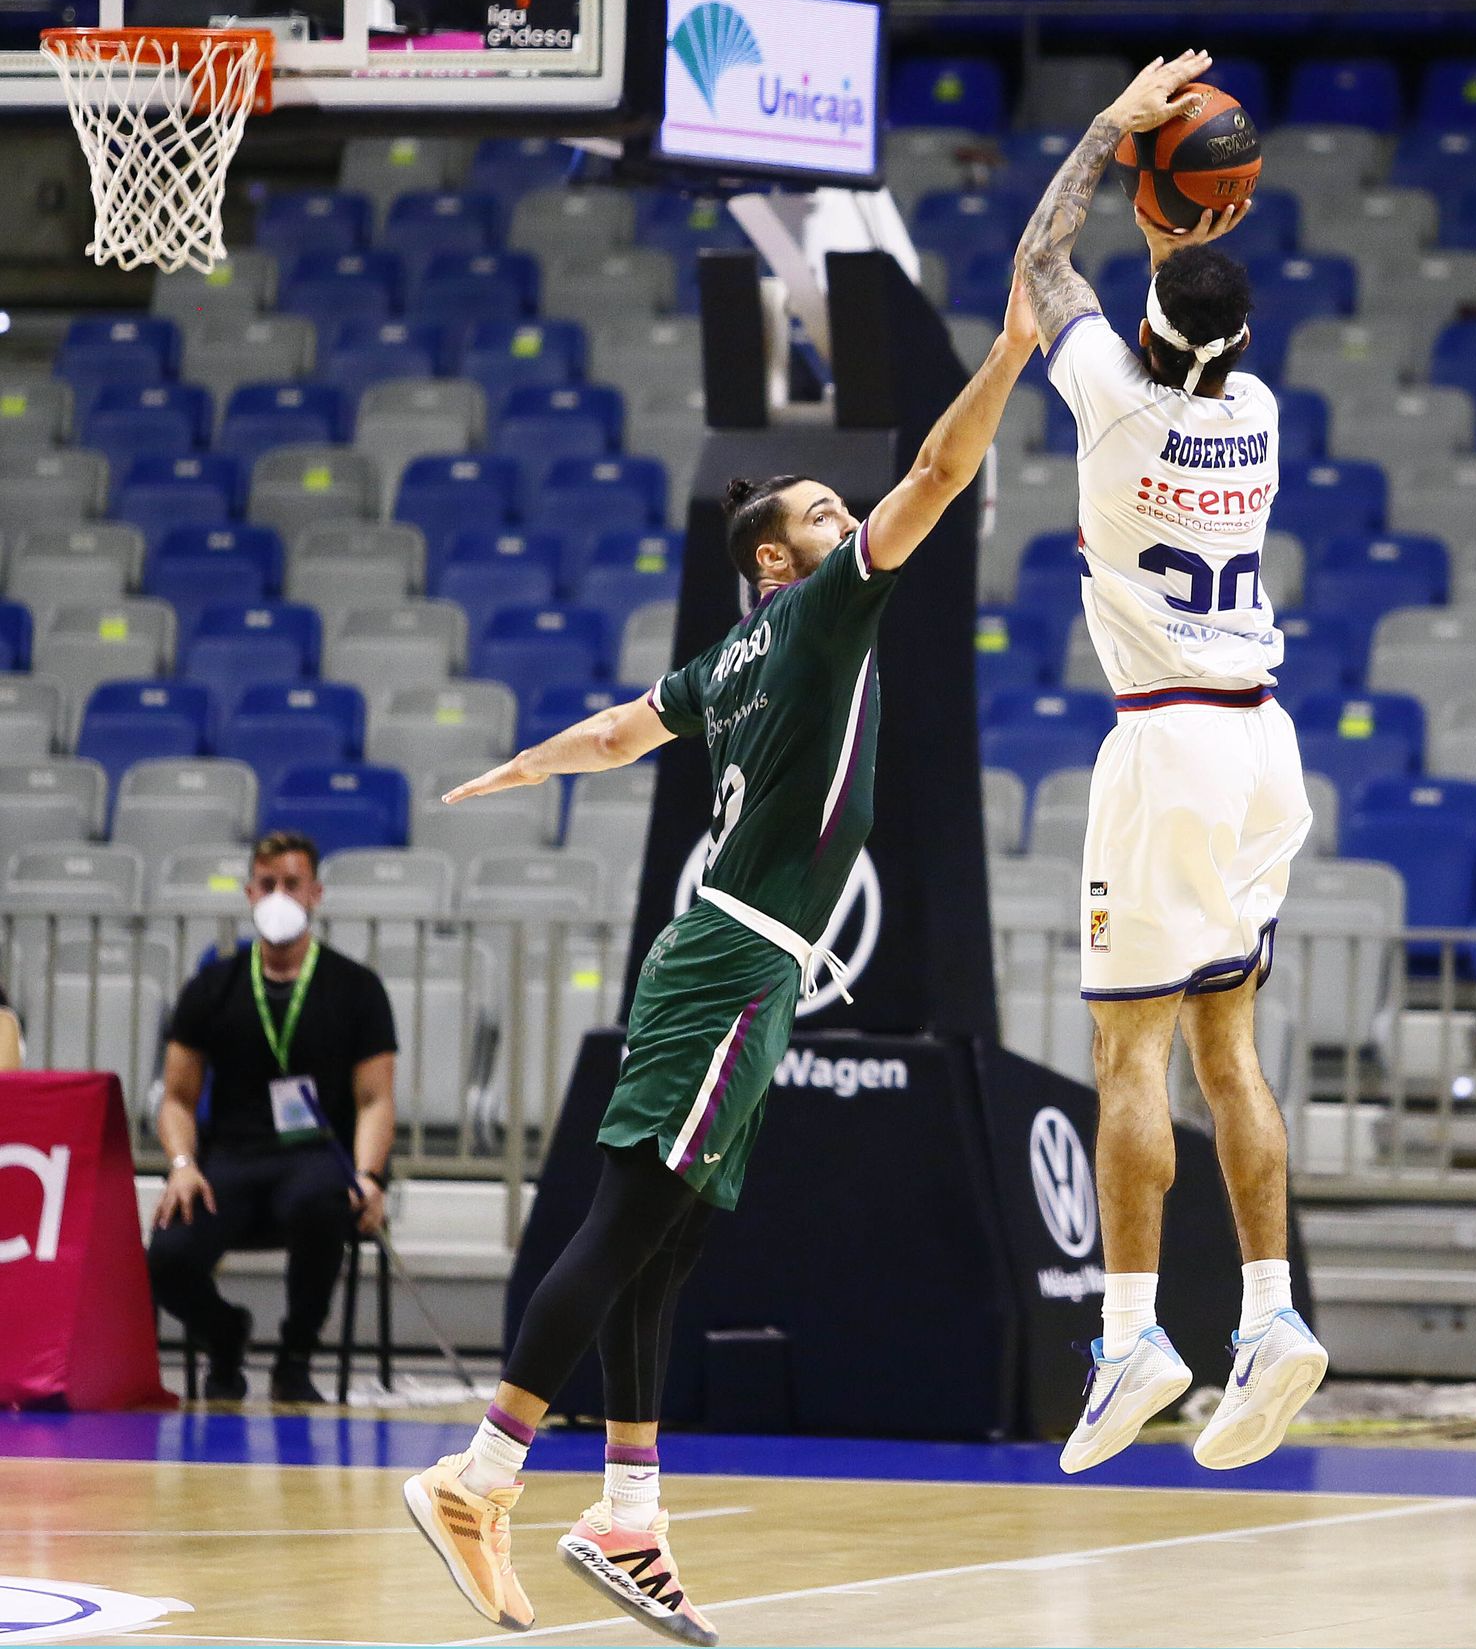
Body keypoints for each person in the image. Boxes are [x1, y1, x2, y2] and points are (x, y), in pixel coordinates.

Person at [403, 271, 1040, 1641]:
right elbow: (939, 467)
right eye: (821, 512)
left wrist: (513, 771)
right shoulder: (816, 619)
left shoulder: (725, 660)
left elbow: (616, 736)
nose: (847, 518)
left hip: (730, 956)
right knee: (630, 1222)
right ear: (776, 563)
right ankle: (483, 1473)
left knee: (673, 1241)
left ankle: (631, 1516)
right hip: (739, 958)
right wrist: (1006, 357)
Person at [1014, 51, 1328, 1475]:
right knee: (1228, 1048)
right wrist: (1181, 218)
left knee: (1123, 1049)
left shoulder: (1115, 404)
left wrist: (1113, 134)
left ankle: (1132, 1331)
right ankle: (1268, 1312)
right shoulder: (1253, 417)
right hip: (1264, 741)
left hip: (1166, 744)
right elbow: (1185, 315)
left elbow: (1039, 266)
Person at [147, 831, 398, 1404]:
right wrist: (183, 1163)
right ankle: (224, 1335)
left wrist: (370, 1176)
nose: (279, 895)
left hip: (316, 1155)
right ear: (249, 893)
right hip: (230, 1160)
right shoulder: (212, 986)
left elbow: (374, 1099)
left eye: (291, 883)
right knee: (168, 1253)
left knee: (319, 1205)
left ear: (315, 893)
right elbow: (177, 1098)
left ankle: (294, 1357)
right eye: (268, 884)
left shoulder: (357, 988)